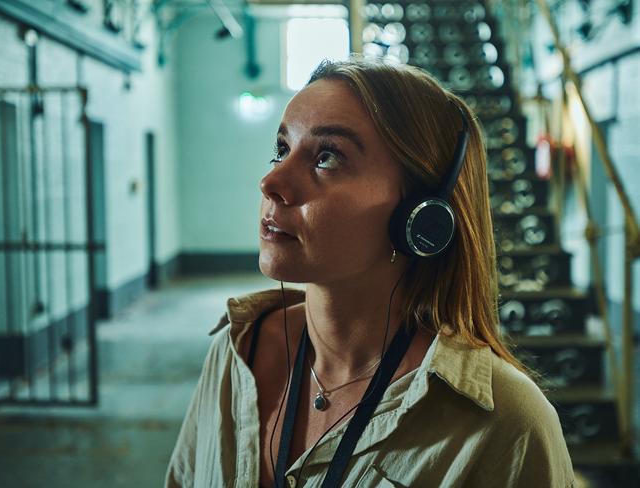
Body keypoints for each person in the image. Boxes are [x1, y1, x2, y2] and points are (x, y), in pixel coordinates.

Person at [165, 57, 575, 488]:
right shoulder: (236, 352)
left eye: (327, 158)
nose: (272, 182)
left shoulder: (506, 425)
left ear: (420, 216)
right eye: (282, 149)